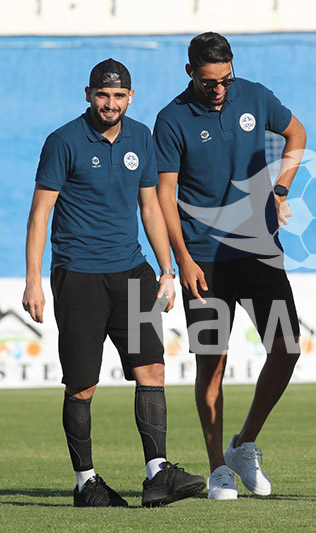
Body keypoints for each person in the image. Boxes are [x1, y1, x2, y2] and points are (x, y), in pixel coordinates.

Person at [22, 58, 206, 508]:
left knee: (153, 370)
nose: (110, 103)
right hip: (78, 276)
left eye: (119, 96)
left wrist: (166, 268)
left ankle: (158, 473)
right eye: (103, 95)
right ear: (88, 95)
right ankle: (86, 482)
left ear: (130, 97)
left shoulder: (142, 137)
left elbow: (150, 208)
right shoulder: (63, 141)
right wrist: (33, 279)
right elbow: (40, 213)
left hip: (133, 273)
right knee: (82, 385)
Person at [154, 32, 307, 499]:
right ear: (190, 73)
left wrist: (281, 187)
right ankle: (218, 466)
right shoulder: (171, 119)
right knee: (212, 363)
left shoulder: (255, 95)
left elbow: (296, 133)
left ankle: (245, 443)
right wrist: (183, 260)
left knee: (288, 349)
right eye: (208, 81)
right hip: (205, 262)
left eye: (225, 79)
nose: (218, 88)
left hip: (260, 252)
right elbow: (164, 195)